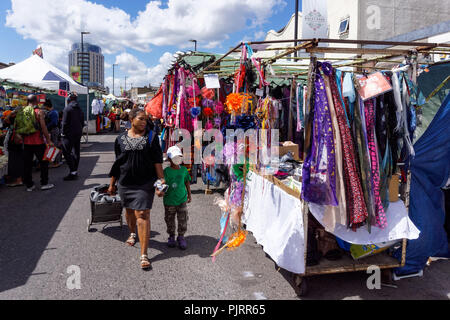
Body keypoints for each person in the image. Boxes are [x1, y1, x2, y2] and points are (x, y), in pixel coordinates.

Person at [108, 108, 164, 269]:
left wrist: (161, 183)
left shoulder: (152, 138)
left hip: (145, 183)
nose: (144, 122)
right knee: (130, 212)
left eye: (146, 119)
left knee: (143, 213)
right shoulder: (120, 139)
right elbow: (118, 163)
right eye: (141, 119)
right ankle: (133, 233)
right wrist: (112, 184)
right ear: (131, 119)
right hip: (125, 182)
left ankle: (144, 254)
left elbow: (157, 162)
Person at [18, 95, 55, 191]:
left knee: (27, 164)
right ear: (37, 101)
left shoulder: (22, 111)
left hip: (26, 143)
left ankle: (29, 185)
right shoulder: (39, 112)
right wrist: (48, 140)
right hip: (38, 142)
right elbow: (43, 127)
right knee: (44, 162)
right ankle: (44, 183)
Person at [160, 146, 192, 250]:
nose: (177, 159)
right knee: (170, 220)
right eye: (174, 157)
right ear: (169, 159)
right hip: (169, 201)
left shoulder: (183, 170)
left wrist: (189, 195)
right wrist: (160, 191)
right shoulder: (166, 172)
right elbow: (161, 184)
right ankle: (171, 236)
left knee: (183, 219)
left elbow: (187, 181)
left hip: (182, 200)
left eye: (178, 157)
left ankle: (181, 236)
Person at [61, 93, 84, 181]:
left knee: (66, 152)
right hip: (78, 133)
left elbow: (64, 122)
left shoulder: (67, 109)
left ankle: (73, 171)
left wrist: (62, 133)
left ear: (69, 99)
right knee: (76, 152)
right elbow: (82, 121)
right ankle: (74, 171)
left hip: (68, 134)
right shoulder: (79, 108)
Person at [43, 99, 62, 168]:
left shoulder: (52, 113)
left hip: (53, 130)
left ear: (47, 106)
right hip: (54, 130)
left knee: (54, 145)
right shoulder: (53, 112)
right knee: (54, 145)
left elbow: (54, 123)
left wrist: (46, 127)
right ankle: (56, 161)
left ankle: (57, 162)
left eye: (44, 106)